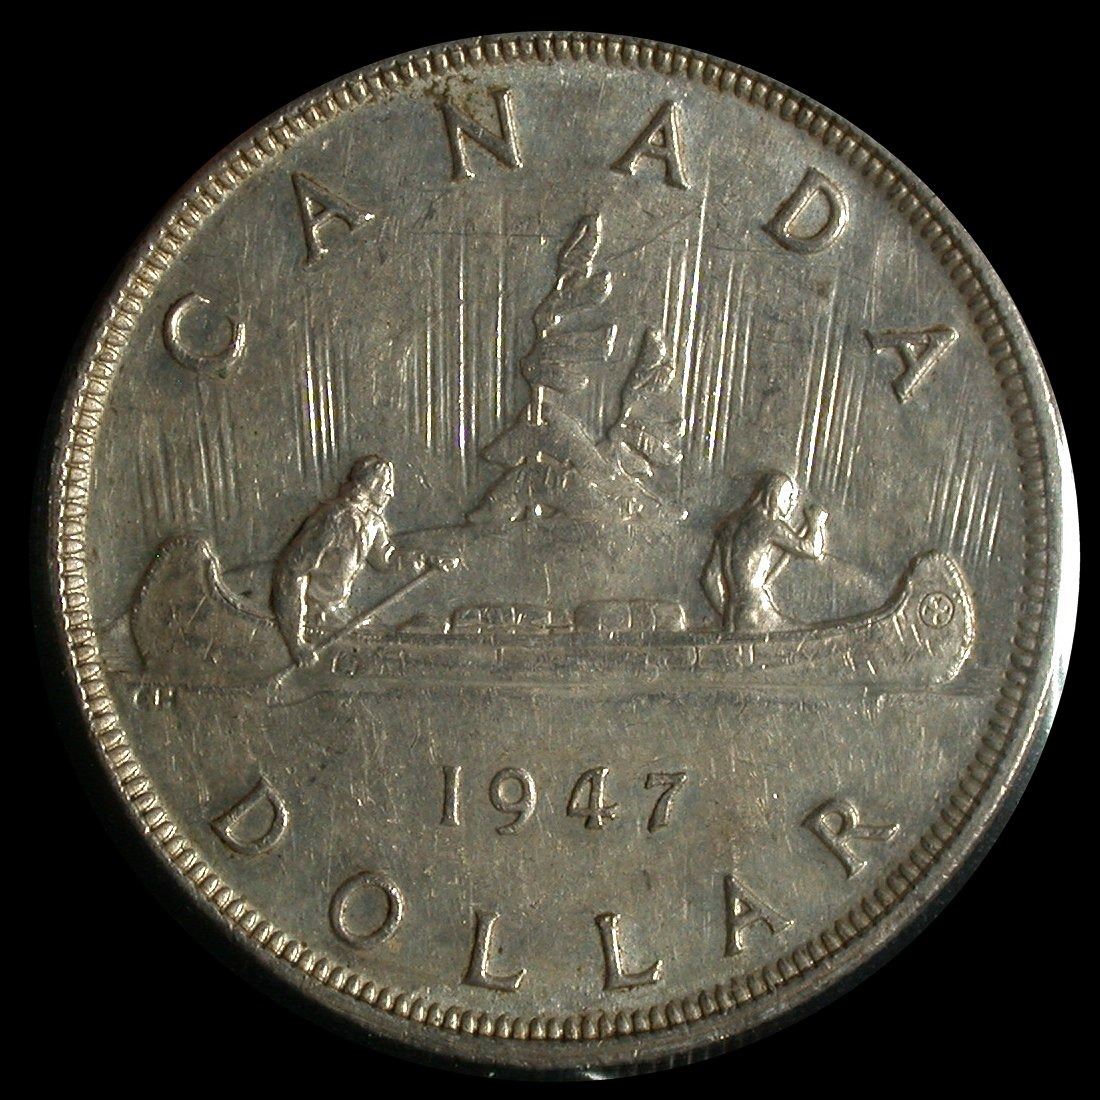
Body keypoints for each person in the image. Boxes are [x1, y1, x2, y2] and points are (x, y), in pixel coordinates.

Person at [272, 456, 441, 665]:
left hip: (338, 613)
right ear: (371, 484)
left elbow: (386, 558)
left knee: (388, 637)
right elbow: (292, 572)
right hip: (314, 616)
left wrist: (427, 560)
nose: (391, 492)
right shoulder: (334, 520)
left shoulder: (372, 522)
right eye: (386, 484)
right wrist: (295, 642)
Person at [702, 471, 827, 633]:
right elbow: (812, 550)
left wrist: (733, 612)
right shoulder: (770, 525)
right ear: (774, 495)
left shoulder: (729, 526)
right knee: (806, 634)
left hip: (731, 613)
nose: (792, 503)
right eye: (788, 496)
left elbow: (709, 578)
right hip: (757, 611)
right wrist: (815, 523)